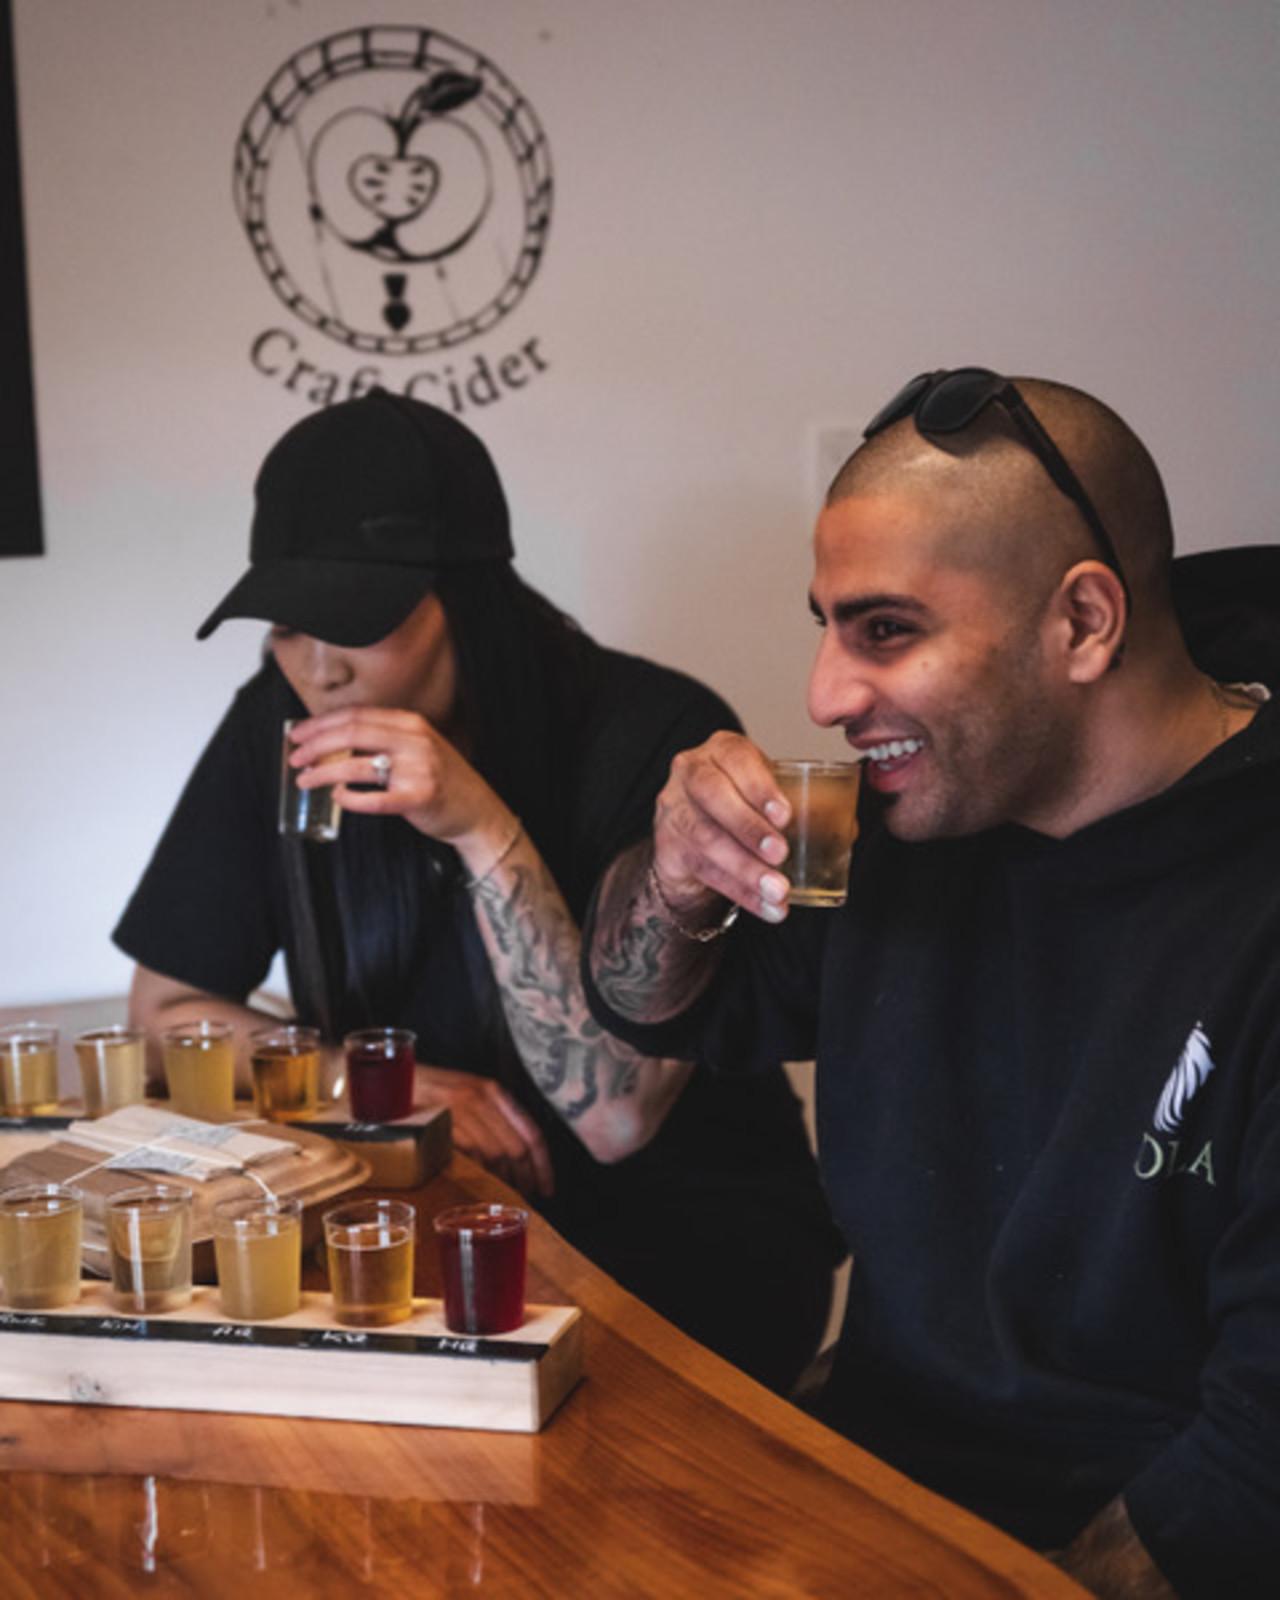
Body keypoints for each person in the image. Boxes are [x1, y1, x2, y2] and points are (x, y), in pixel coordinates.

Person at [583, 367, 1280, 1599]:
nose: (823, 695)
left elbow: (1249, 1473)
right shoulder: (908, 822)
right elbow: (653, 1003)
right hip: (869, 1484)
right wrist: (676, 879)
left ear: (1082, 622)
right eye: (825, 625)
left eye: (885, 630)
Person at [114, 388, 843, 1394]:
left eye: (356, 622)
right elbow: (162, 1011)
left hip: (686, 1251)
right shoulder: (276, 723)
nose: (318, 668)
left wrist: (477, 823)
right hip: (423, 1230)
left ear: (471, 600)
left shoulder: (653, 732)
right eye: (284, 623)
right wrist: (368, 1081)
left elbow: (617, 1118)